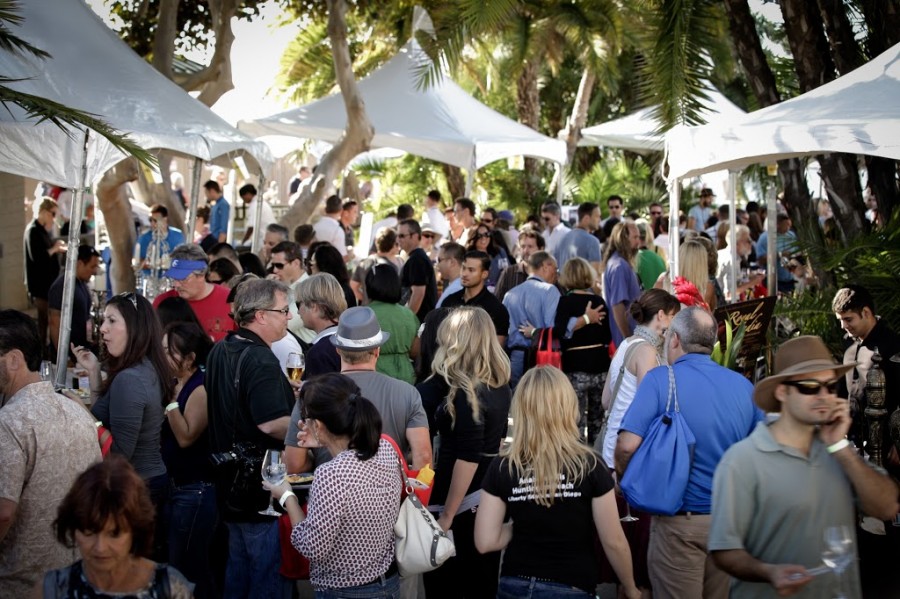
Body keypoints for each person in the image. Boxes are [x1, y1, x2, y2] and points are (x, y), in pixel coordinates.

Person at [709, 335, 900, 599]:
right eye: (810, 386)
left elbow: (888, 507)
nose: (823, 396)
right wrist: (768, 572)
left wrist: (841, 448)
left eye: (829, 386)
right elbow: (724, 551)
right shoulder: (743, 460)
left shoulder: (837, 452)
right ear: (782, 392)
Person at [615, 307, 764, 599]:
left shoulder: (660, 380)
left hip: (678, 524)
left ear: (675, 340)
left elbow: (626, 445)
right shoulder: (744, 387)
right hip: (728, 524)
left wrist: (624, 479)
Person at [475, 367, 640, 599]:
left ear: (522, 409)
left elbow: (485, 541)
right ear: (567, 406)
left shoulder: (504, 466)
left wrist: (522, 525)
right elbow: (613, 540)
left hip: (515, 585)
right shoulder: (590, 465)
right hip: (572, 585)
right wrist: (630, 587)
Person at [265, 374, 402, 598]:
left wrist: (287, 496)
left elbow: (312, 547)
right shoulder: (384, 448)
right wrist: (323, 439)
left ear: (317, 424)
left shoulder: (331, 475)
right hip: (388, 582)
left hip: (345, 590)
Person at [205, 278, 295, 598]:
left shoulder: (219, 349)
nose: (289, 317)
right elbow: (271, 424)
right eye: (284, 310)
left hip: (227, 486)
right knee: (266, 577)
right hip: (259, 489)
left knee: (238, 573)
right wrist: (309, 429)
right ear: (260, 315)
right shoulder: (260, 359)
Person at [0, 311, 100, 596]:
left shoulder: (11, 422)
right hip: (75, 573)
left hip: (23, 581)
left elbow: (3, 512)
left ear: (14, 359)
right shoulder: (75, 411)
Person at [71, 292, 173, 560]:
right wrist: (94, 372)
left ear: (135, 328)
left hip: (138, 488)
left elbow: (118, 454)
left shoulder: (131, 378)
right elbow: (106, 419)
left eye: (111, 320)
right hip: (147, 483)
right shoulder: (144, 368)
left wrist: (80, 411)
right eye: (103, 320)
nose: (102, 328)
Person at [419, 307, 512, 599]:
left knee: (446, 586)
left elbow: (468, 456)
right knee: (480, 583)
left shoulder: (467, 390)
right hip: (487, 496)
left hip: (460, 501)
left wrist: (446, 515)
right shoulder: (499, 383)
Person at [285, 306, 432, 474]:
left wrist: (319, 462)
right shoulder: (408, 393)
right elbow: (424, 456)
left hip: (332, 495)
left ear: (338, 350)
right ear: (377, 350)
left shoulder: (312, 393)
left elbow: (294, 465)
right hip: (391, 496)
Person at [40, 456, 194, 598]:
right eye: (89, 532)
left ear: (135, 530)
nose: (100, 547)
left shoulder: (170, 589)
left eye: (114, 534)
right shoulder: (52, 590)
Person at [832, 285, 900, 595]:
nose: (844, 327)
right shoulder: (850, 351)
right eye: (841, 321)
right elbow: (847, 399)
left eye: (849, 319)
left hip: (893, 455)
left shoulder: (895, 347)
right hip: (861, 454)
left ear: (867, 313)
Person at [161, 321, 217, 599]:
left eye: (169, 352)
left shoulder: (200, 387)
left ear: (190, 358)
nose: (162, 357)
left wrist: (170, 402)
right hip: (178, 486)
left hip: (196, 490)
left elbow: (186, 437)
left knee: (189, 569)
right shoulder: (176, 381)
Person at [553, 257, 610, 443]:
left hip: (576, 367)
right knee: (598, 421)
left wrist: (584, 320)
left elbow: (561, 331)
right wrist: (588, 319)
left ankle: (578, 462)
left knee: (575, 420)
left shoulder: (565, 302)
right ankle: (598, 461)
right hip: (600, 366)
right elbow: (607, 336)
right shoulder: (598, 300)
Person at [154, 243, 236, 341]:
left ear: (201, 275)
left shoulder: (229, 299)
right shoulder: (163, 302)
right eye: (174, 278)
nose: (176, 285)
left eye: (183, 278)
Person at [502, 251, 561, 388]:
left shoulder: (510, 294)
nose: (556, 274)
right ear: (546, 266)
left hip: (514, 358)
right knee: (540, 403)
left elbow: (504, 330)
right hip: (540, 358)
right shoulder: (550, 290)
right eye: (555, 269)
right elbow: (552, 327)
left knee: (517, 403)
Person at [365, 264, 419, 384]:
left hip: (376, 375)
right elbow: (415, 350)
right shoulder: (408, 314)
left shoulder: (365, 314)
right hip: (406, 377)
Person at [442, 250, 510, 347]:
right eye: (463, 268)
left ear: (484, 274)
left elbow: (496, 349)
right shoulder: (449, 301)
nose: (464, 274)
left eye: (471, 270)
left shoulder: (496, 309)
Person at [24, 197, 66, 353]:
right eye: (52, 214)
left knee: (47, 321)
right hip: (39, 287)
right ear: (43, 212)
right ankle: (41, 355)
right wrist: (55, 248)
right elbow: (38, 257)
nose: (54, 219)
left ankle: (45, 351)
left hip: (47, 285)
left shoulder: (41, 231)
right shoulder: (33, 230)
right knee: (44, 322)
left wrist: (57, 249)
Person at [48, 245, 101, 358]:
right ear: (80, 263)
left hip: (80, 352)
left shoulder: (81, 282)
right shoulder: (62, 286)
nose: (95, 272)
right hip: (69, 356)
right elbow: (54, 323)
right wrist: (64, 358)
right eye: (92, 267)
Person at [603, 221, 642, 347]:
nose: (638, 242)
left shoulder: (619, 263)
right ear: (623, 239)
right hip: (625, 340)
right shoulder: (619, 266)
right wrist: (628, 338)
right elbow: (617, 306)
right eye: (635, 237)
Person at [398, 219, 438, 322]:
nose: (398, 239)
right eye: (398, 236)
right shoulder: (416, 258)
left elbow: (418, 293)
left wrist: (408, 321)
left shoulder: (417, 259)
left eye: (402, 236)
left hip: (419, 324)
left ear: (415, 236)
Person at [351, 227, 402, 303]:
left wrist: (366, 299)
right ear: (393, 245)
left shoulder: (364, 263)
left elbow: (353, 286)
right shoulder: (396, 264)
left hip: (368, 309)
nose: (399, 247)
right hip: (388, 309)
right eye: (397, 244)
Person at [494, 229, 545, 303]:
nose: (525, 251)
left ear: (541, 249)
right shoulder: (509, 273)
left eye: (530, 246)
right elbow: (497, 301)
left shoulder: (548, 272)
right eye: (523, 246)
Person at [717, 224, 764, 302]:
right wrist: (752, 282)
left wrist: (748, 277)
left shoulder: (725, 255)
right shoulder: (731, 260)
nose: (751, 244)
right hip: (725, 305)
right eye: (748, 241)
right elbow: (729, 293)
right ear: (737, 243)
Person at [554, 202, 603, 275]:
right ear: (586, 218)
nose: (600, 220)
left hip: (562, 285)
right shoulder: (593, 241)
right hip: (583, 285)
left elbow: (556, 268)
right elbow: (595, 275)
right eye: (597, 216)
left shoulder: (562, 239)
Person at [756, 213, 798, 294]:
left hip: (789, 278)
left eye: (789, 225)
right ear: (777, 225)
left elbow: (795, 253)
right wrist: (779, 255)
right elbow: (760, 260)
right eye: (786, 225)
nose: (788, 228)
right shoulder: (765, 238)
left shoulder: (791, 235)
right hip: (772, 281)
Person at [307, 241, 357, 310]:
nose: (311, 267)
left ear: (323, 267)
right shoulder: (341, 289)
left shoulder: (337, 293)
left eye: (313, 263)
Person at [138, 204, 185, 269]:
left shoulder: (178, 236)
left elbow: (184, 258)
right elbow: (137, 262)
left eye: (155, 220)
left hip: (172, 277)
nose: (152, 223)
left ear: (165, 219)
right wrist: (153, 263)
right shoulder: (144, 238)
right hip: (149, 277)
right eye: (150, 220)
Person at [465, 223, 509, 290]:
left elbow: (508, 271)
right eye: (479, 235)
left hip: (501, 292)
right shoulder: (468, 257)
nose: (484, 238)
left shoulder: (499, 252)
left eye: (486, 234)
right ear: (473, 237)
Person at [313, 194, 349, 259]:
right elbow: (342, 257)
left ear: (326, 209)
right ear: (341, 211)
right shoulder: (337, 231)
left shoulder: (315, 226)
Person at [435, 241, 465, 308]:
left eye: (439, 260)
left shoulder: (456, 290)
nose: (438, 265)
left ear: (452, 262)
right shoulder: (456, 286)